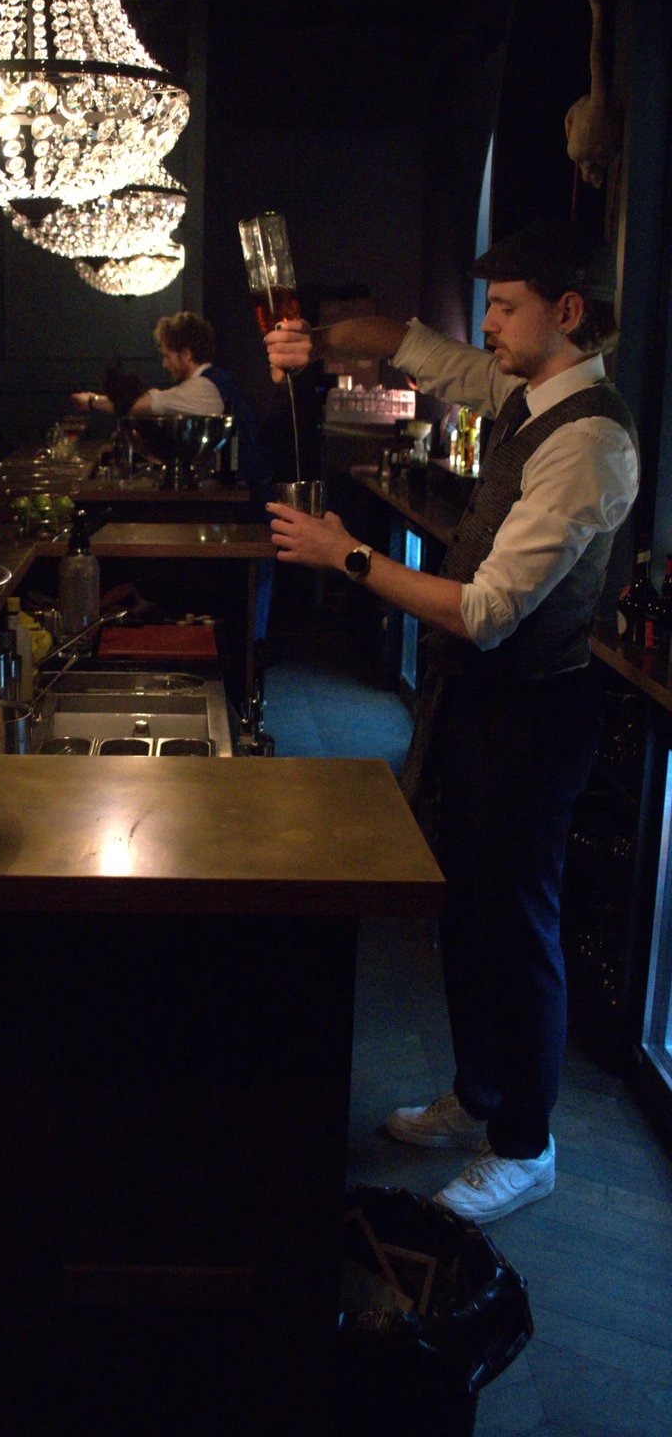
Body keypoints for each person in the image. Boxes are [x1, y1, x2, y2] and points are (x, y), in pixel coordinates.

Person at [264, 219, 639, 1225]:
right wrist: (329, 330)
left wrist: (348, 554)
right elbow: (425, 352)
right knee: (469, 909)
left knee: (519, 925)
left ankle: (528, 1144)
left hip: (534, 714)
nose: (489, 324)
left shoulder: (592, 440)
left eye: (507, 306)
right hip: (478, 704)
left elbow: (484, 610)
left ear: (567, 313)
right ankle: (479, 1097)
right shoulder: (527, 392)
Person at [72, 311, 271, 490]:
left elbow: (136, 406)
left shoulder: (202, 387)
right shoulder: (214, 379)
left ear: (186, 354)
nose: (164, 364)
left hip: (245, 500)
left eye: (168, 356)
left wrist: (91, 400)